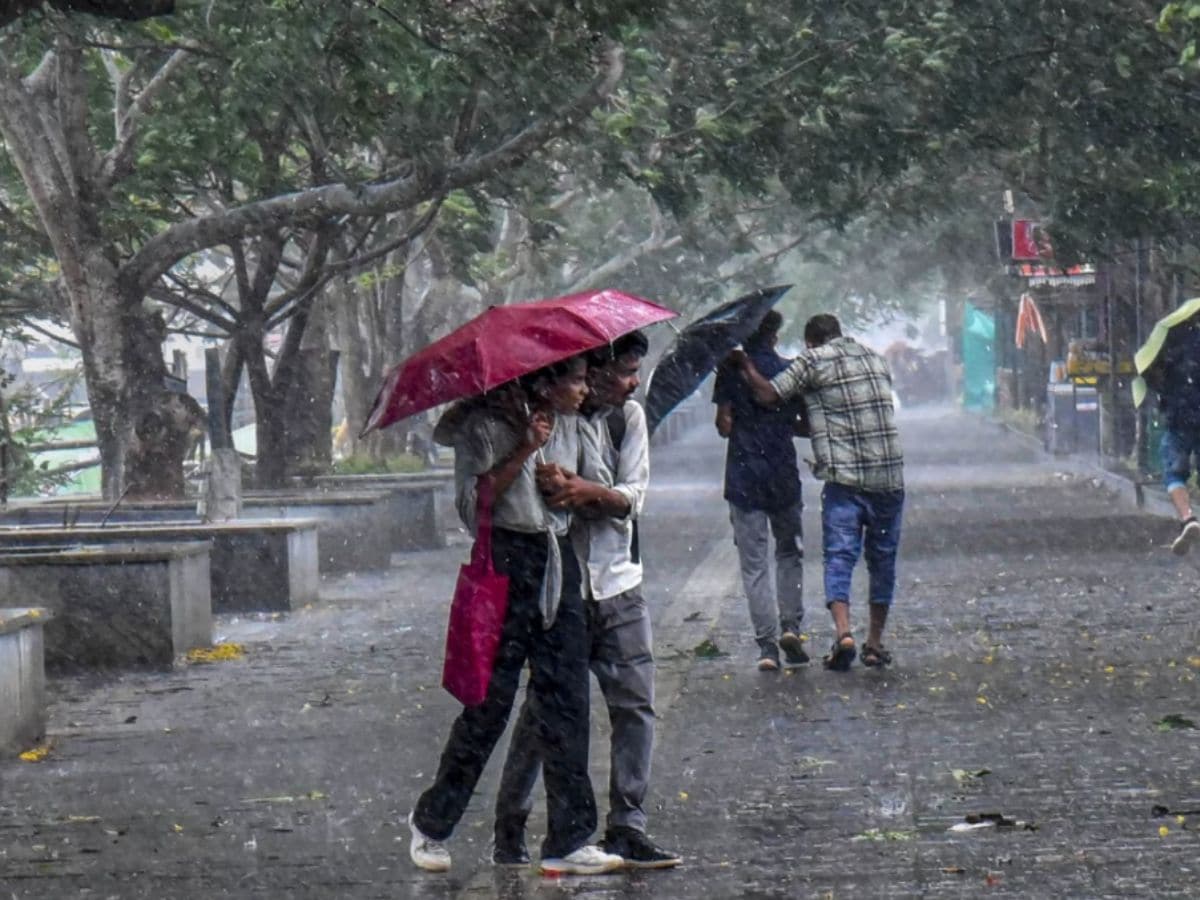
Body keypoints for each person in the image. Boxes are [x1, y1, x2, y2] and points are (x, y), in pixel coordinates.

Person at [407, 355, 623, 877]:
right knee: (489, 706)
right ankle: (432, 823)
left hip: (557, 559)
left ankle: (569, 838)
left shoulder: (574, 424)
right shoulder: (481, 427)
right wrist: (524, 447)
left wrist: (566, 486)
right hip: (505, 564)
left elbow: (597, 491)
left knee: (565, 699)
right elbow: (473, 507)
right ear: (544, 383)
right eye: (574, 380)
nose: (584, 388)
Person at [493, 331, 682, 870]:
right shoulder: (549, 421)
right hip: (562, 589)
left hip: (620, 583)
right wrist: (567, 490)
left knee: (635, 705)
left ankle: (628, 824)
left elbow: (631, 497)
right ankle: (512, 822)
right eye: (623, 370)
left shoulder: (629, 420)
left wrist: (590, 494)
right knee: (544, 711)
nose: (632, 381)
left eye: (634, 371)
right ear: (589, 372)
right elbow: (537, 499)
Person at [730, 313, 904, 671]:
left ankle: (843, 634)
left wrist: (743, 365)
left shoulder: (812, 361)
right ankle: (874, 643)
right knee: (882, 561)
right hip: (889, 479)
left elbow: (767, 394)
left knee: (839, 556)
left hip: (844, 481)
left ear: (810, 342)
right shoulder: (874, 357)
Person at [712, 311, 809, 672]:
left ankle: (767, 647)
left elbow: (724, 426)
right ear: (774, 336)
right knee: (789, 554)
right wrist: (779, 423)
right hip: (782, 474)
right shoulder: (790, 370)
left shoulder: (728, 372)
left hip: (743, 477)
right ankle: (791, 628)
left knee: (754, 565)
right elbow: (804, 424)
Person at [1149, 316, 1200, 554]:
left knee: (1174, 473)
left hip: (1178, 418)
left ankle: (1188, 518)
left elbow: (1153, 378)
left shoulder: (1167, 345)